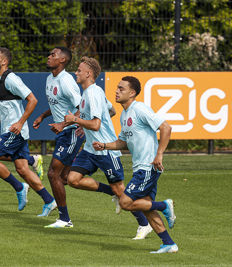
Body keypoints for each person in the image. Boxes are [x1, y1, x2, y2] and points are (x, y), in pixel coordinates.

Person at [64, 57, 152, 239]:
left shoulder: (92, 93)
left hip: (106, 150)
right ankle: (110, 192)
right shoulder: (90, 93)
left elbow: (96, 125)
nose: (76, 73)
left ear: (88, 74)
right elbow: (110, 111)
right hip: (90, 149)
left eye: (79, 71)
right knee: (72, 179)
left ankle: (145, 224)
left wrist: (76, 120)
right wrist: (84, 124)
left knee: (121, 190)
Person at [92, 76, 177, 253]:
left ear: (132, 93)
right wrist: (105, 145)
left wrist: (159, 154)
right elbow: (123, 142)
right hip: (141, 167)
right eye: (117, 87)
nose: (116, 91)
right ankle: (168, 243)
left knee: (125, 202)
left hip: (148, 167)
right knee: (145, 206)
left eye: (121, 89)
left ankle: (164, 205)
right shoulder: (125, 114)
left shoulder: (139, 109)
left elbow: (166, 128)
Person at [0, 47, 56, 214]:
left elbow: (32, 100)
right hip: (11, 131)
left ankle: (19, 187)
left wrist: (20, 123)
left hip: (14, 132)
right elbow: (0, 107)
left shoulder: (11, 79)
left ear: (4, 62)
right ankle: (49, 201)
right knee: (23, 169)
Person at [32, 47, 85, 228]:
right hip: (64, 133)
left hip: (71, 132)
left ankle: (64, 219)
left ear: (62, 60)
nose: (48, 57)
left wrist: (63, 124)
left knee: (53, 174)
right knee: (65, 178)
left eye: (53, 55)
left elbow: (82, 106)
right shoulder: (50, 78)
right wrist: (43, 116)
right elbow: (57, 104)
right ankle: (112, 191)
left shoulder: (66, 81)